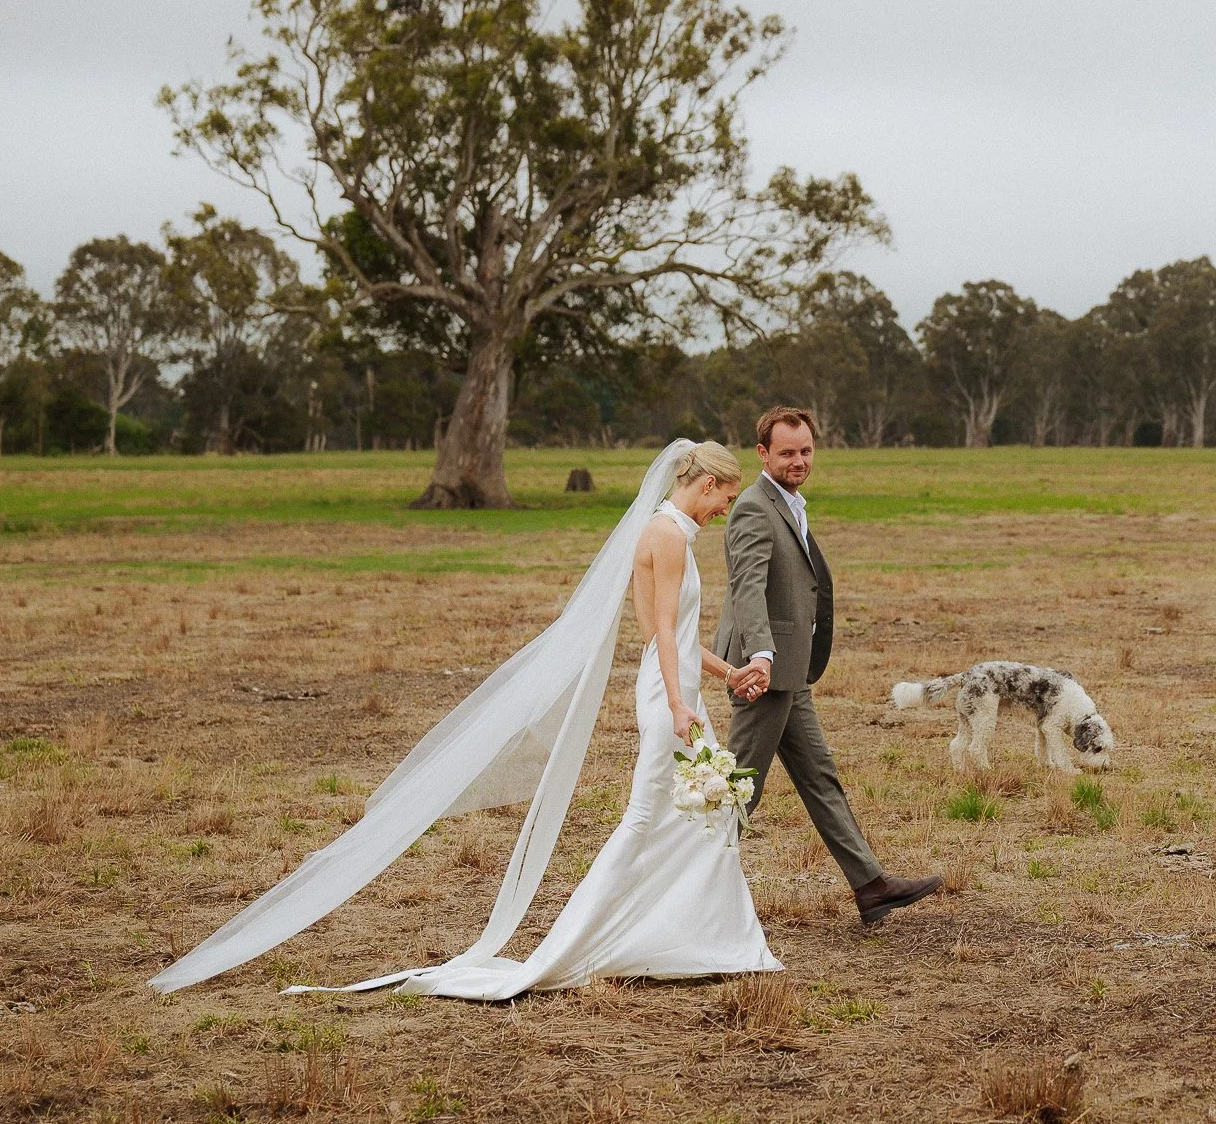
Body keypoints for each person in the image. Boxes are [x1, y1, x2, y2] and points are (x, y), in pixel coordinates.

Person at [148, 441, 782, 998]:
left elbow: (668, 638)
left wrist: (724, 675)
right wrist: (677, 702)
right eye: (725, 498)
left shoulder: (665, 531)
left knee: (705, 812)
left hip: (676, 689)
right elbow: (660, 633)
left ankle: (699, 936)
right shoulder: (668, 537)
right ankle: (582, 945)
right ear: (706, 484)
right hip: (669, 696)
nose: (725, 509)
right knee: (650, 815)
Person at [718, 407, 943, 923]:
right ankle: (683, 887)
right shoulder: (753, 508)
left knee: (820, 776)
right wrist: (761, 656)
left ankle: (871, 886)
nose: (799, 461)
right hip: (764, 673)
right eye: (787, 453)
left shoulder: (790, 503)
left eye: (806, 451)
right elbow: (747, 588)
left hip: (789, 670)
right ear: (763, 454)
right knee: (737, 790)